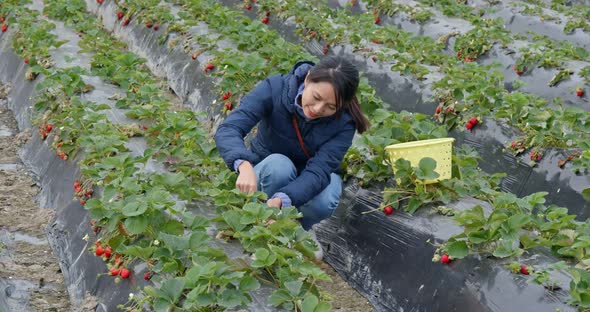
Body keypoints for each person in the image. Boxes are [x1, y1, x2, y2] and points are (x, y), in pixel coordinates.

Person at [214, 56, 369, 231]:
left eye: (330, 107)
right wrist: (243, 164)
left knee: (327, 196)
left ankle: (296, 230)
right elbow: (230, 128)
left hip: (309, 179)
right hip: (268, 170)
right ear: (308, 78)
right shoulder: (275, 88)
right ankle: (257, 217)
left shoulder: (344, 124)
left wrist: (282, 200)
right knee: (279, 166)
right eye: (316, 97)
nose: (318, 109)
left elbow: (319, 171)